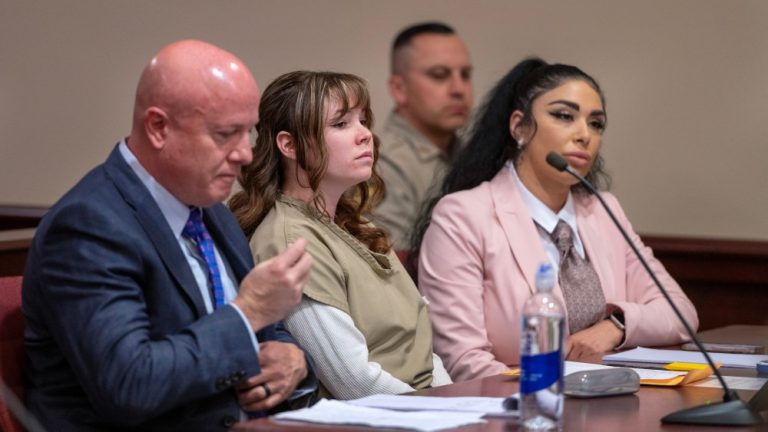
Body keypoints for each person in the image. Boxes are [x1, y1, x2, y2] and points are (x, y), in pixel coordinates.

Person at [22, 40, 316, 431]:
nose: (246, 153)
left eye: (249, 131)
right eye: (226, 133)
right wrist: (249, 312)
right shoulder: (87, 226)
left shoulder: (210, 209)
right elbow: (130, 384)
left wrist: (292, 359)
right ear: (158, 127)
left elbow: (264, 329)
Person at [413, 58, 699, 381]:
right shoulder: (463, 216)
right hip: (516, 412)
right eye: (564, 116)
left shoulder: (604, 210)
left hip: (609, 402)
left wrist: (616, 326)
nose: (584, 135)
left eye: (596, 124)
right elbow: (462, 360)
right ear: (519, 127)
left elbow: (680, 312)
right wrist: (553, 398)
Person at [229, 70, 452, 400]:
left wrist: (455, 401)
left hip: (426, 408)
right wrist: (444, 412)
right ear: (289, 145)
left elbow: (422, 352)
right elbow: (353, 382)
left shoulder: (360, 227)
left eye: (363, 120)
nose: (365, 135)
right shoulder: (290, 241)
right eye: (341, 124)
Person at [374, 22, 473, 250]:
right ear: (399, 89)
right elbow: (388, 266)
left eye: (465, 75)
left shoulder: (471, 152)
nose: (459, 89)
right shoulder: (379, 163)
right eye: (440, 75)